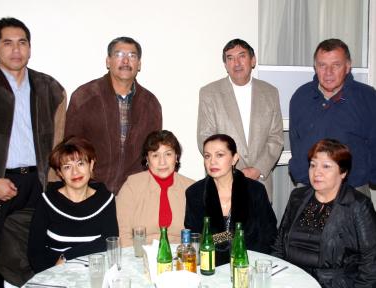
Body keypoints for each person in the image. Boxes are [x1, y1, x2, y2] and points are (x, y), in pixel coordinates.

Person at [0, 17, 66, 288]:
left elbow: (59, 143)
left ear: (29, 47)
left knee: (42, 255)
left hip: (40, 183)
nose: (16, 50)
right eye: (8, 43)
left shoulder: (51, 89)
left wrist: (53, 185)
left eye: (22, 43)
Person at [65, 36, 162, 195]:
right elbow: (70, 147)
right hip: (90, 190)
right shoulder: (85, 96)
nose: (125, 61)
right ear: (108, 61)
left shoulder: (150, 104)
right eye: (119, 55)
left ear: (139, 64)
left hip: (133, 192)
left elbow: (153, 151)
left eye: (132, 56)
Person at [273, 139, 376, 287]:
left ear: (343, 172)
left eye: (326, 166)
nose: (317, 172)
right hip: (292, 279)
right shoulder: (297, 197)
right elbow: (279, 245)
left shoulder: (358, 205)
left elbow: (371, 260)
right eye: (313, 165)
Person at [197, 38, 283, 200]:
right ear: (225, 65)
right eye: (230, 58)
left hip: (260, 183)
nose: (236, 63)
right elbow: (205, 138)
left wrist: (258, 169)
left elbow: (276, 138)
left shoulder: (270, 92)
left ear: (253, 60)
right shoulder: (209, 93)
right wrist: (231, 172)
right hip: (223, 183)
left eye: (241, 56)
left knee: (259, 226)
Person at [289, 38, 376, 197]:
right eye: (322, 65)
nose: (328, 72)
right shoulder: (301, 96)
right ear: (315, 67)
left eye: (336, 65)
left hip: (353, 190)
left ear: (348, 66)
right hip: (309, 188)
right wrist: (300, 172)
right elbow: (296, 141)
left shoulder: (367, 97)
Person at [28, 137, 118, 273]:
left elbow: (109, 242)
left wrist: (67, 256)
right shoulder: (47, 201)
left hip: (95, 272)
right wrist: (53, 275)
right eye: (67, 167)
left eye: (80, 164)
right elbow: (35, 252)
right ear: (60, 173)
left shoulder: (105, 200)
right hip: (54, 272)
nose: (75, 172)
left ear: (91, 164)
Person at [185, 134, 277, 266]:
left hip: (250, 263)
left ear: (234, 159)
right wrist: (229, 235)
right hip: (210, 266)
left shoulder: (255, 190)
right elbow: (196, 239)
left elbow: (269, 234)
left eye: (220, 155)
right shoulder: (195, 193)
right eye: (207, 156)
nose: (212, 161)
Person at [116, 130, 194, 247]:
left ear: (176, 157)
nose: (162, 162)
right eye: (155, 155)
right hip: (141, 256)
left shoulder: (192, 188)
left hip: (182, 256)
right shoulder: (132, 185)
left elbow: (199, 235)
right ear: (147, 159)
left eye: (168, 154)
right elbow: (124, 235)